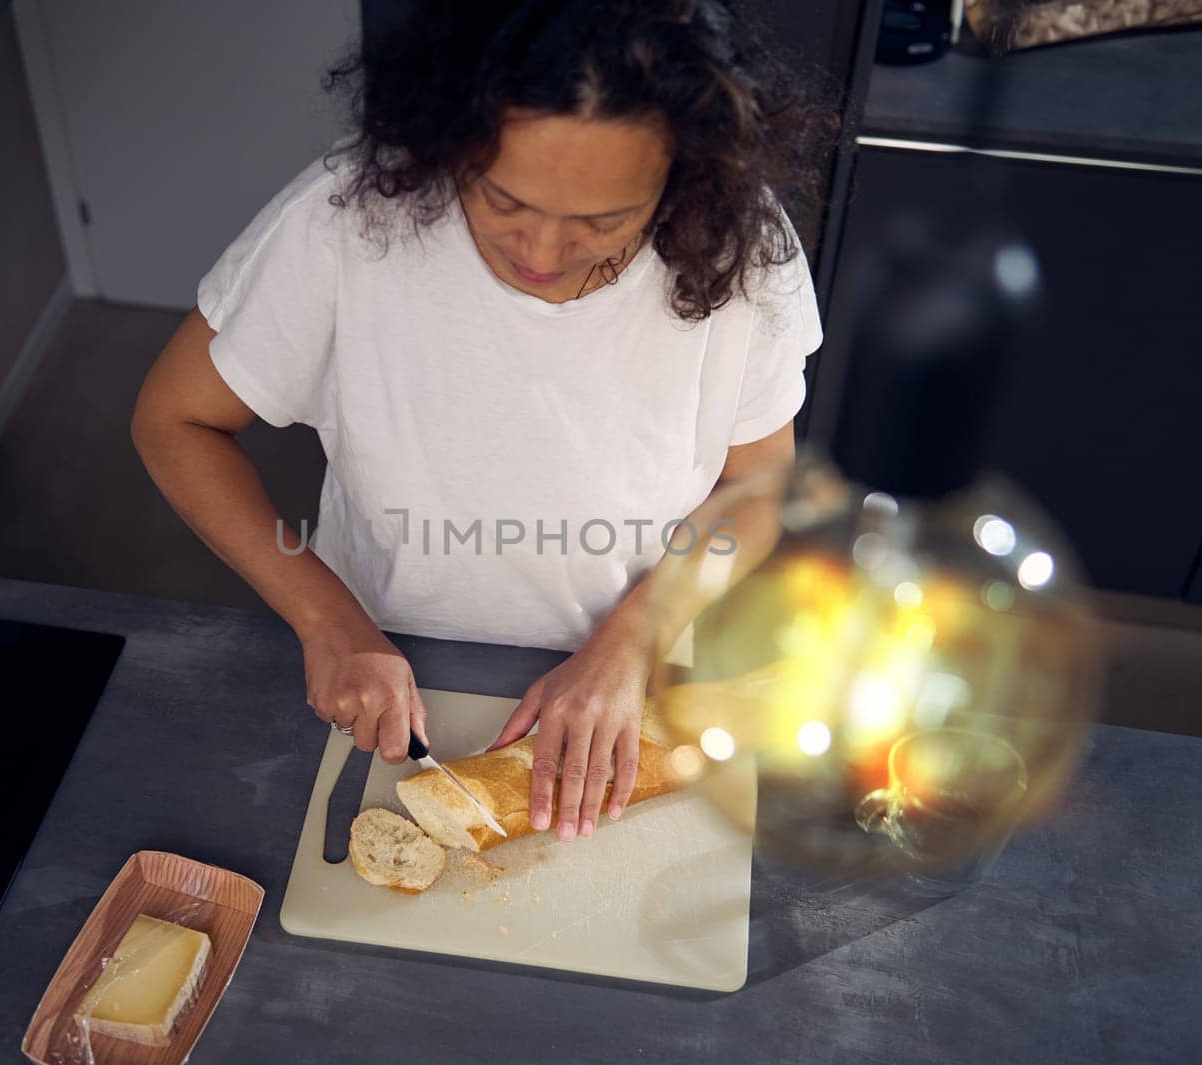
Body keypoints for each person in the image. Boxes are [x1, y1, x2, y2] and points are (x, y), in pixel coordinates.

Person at [131, 0, 833, 845]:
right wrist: (326, 617)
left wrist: (634, 640)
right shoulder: (347, 223)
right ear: (455, 137)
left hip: (634, 669)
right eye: (502, 200)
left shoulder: (741, 253)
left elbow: (759, 486)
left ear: (683, 176)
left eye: (601, 223)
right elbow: (175, 419)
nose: (540, 252)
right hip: (388, 657)